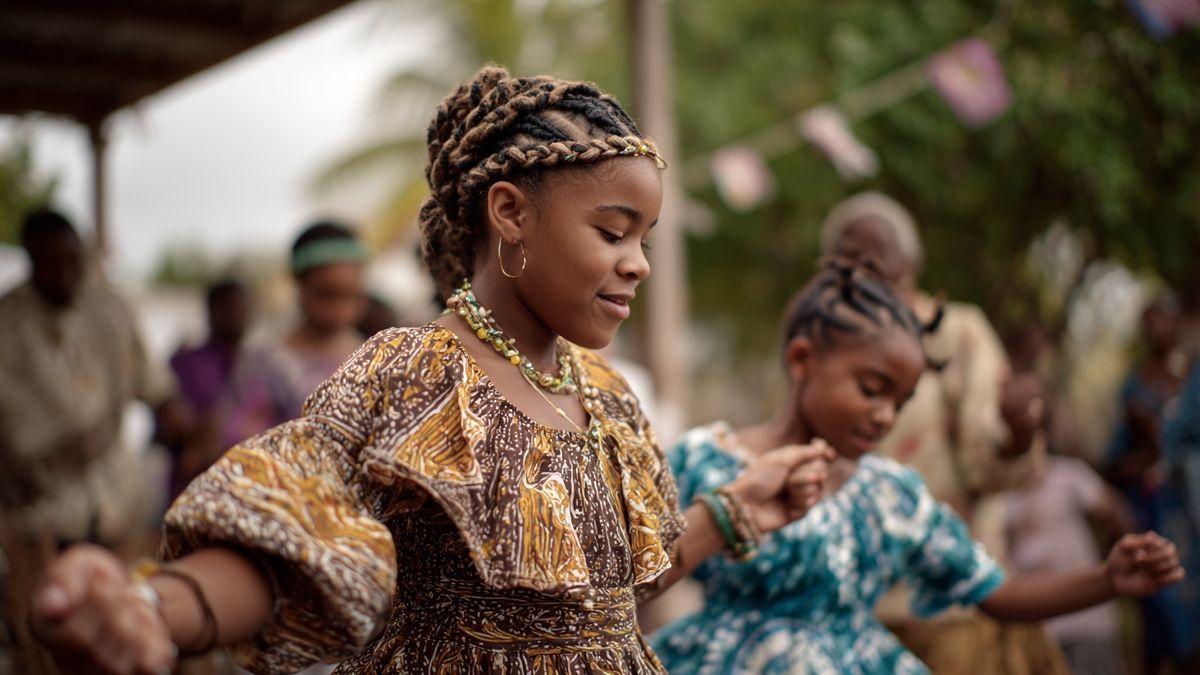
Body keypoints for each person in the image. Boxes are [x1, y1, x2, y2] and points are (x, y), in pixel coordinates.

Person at [27, 66, 832, 675]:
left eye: (646, 240)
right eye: (614, 232)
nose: (638, 265)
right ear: (510, 212)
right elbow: (290, 539)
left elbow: (613, 597)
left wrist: (733, 511)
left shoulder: (607, 397)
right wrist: (156, 608)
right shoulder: (414, 372)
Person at [650, 260, 1185, 674]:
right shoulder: (705, 461)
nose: (885, 416)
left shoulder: (891, 494)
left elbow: (993, 592)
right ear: (801, 360)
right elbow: (635, 575)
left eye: (901, 402)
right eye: (871, 389)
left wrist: (1106, 579)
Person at [819, 192, 1064, 673]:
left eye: (873, 257)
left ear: (909, 264)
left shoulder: (958, 333)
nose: (859, 270)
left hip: (955, 605)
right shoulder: (822, 345)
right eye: (845, 258)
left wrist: (1016, 436)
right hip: (858, 609)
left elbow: (990, 465)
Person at [0, 209, 184, 673]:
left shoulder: (112, 310)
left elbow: (157, 391)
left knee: (122, 642)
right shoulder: (5, 324)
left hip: (117, 512)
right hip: (36, 522)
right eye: (49, 263)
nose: (63, 274)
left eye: (71, 261)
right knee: (43, 650)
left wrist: (192, 438)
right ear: (30, 259)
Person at [218, 221, 368, 448]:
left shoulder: (370, 353)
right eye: (326, 295)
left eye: (351, 295)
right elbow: (243, 442)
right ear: (299, 284)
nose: (341, 311)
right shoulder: (266, 361)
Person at [168, 279, 251, 501]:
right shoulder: (186, 363)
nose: (236, 315)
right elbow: (167, 423)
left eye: (241, 308)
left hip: (248, 487)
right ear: (211, 310)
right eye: (228, 307)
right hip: (196, 488)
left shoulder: (262, 364)